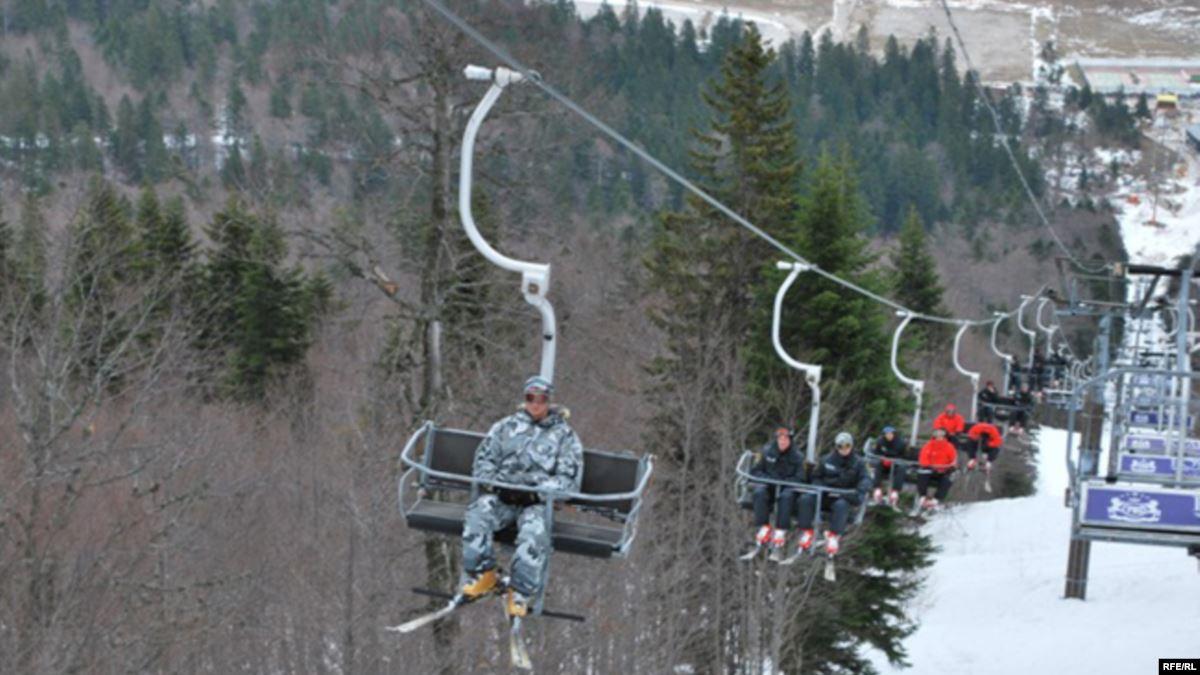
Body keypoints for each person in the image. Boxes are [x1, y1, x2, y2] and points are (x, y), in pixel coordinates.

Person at [459, 376, 584, 618]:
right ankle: (484, 574)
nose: (535, 404)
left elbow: (568, 479)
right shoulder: (505, 428)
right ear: (524, 399)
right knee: (478, 511)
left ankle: (520, 591)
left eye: (541, 399)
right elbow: (483, 461)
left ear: (549, 401)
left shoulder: (564, 436)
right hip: (505, 497)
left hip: (536, 503)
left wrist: (536, 490)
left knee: (533, 531)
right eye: (530, 398)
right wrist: (498, 485)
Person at [795, 431, 871, 557]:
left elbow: (866, 479)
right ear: (836, 447)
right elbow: (816, 476)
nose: (844, 449)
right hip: (826, 494)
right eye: (841, 446)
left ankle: (834, 536)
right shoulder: (827, 460)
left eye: (847, 446)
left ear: (851, 446)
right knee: (806, 499)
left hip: (843, 496)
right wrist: (819, 486)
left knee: (841, 506)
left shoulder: (858, 463)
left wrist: (861, 489)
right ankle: (807, 531)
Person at [746, 426, 805, 560]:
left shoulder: (797, 457)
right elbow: (755, 471)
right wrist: (768, 479)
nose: (782, 442)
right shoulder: (768, 452)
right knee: (759, 492)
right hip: (770, 486)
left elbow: (800, 477)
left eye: (785, 439)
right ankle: (763, 526)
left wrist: (785, 482)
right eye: (780, 439)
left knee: (786, 497)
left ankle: (780, 531)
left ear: (790, 441)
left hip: (786, 488)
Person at [914, 428, 957, 514]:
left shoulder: (949, 447)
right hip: (930, 470)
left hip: (942, 471)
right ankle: (923, 497)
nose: (939, 437)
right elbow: (923, 458)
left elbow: (953, 460)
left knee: (947, 480)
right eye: (937, 435)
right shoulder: (929, 446)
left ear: (944, 436)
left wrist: (950, 468)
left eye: (941, 435)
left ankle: (936, 500)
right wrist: (930, 467)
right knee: (922, 474)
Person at [869, 425, 909, 508]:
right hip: (884, 464)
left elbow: (904, 456)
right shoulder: (880, 442)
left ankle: (895, 491)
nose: (889, 436)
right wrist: (883, 459)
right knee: (878, 465)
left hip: (896, 464)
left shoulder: (900, 443)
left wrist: (895, 460)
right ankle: (877, 489)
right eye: (887, 434)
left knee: (902, 468)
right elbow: (877, 453)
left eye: (891, 434)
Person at [965, 421, 1004, 492]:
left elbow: (998, 441)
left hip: (987, 447)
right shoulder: (977, 428)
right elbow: (971, 434)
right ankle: (972, 459)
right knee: (970, 443)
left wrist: (989, 444)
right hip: (976, 444)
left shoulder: (992, 430)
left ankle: (989, 461)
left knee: (996, 449)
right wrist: (976, 438)